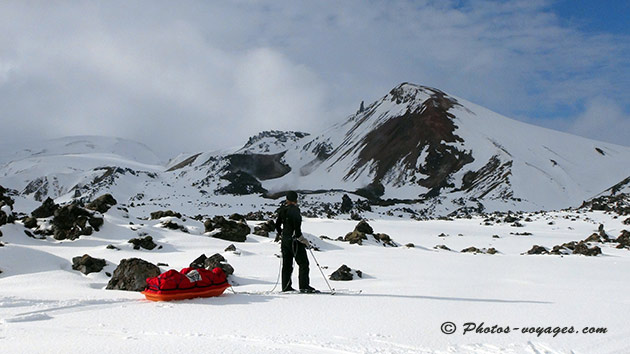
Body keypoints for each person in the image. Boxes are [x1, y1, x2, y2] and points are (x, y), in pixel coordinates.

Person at [275, 191, 318, 293]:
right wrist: (302, 239)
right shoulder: (295, 210)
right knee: (303, 263)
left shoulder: (282, 209)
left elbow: (277, 225)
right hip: (294, 241)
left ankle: (286, 287)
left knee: (287, 265)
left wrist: (282, 234)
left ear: (287, 199)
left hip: (285, 240)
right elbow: (297, 227)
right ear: (296, 200)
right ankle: (304, 286)